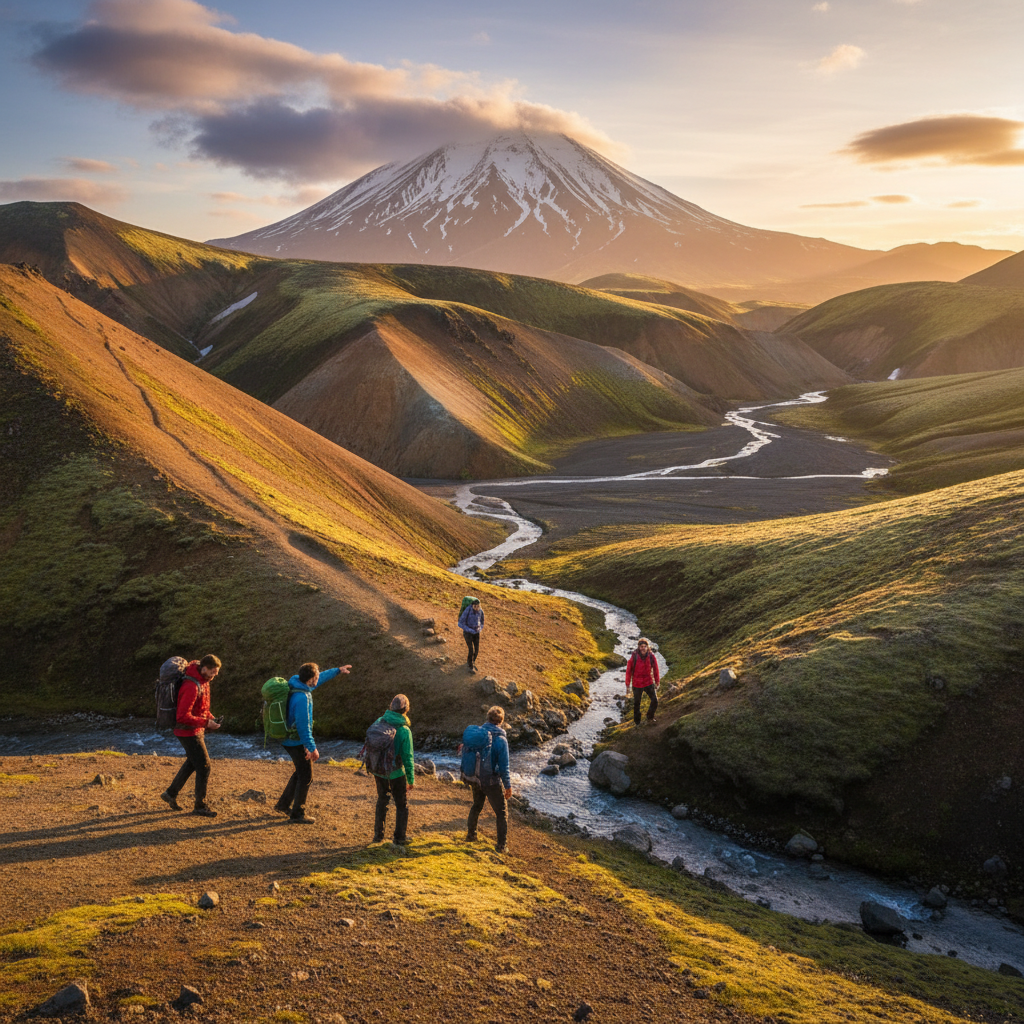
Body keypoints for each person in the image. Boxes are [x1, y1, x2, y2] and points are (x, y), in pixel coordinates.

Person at [275, 661, 352, 824]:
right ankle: (297, 814)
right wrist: (312, 748)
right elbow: (303, 727)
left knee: (300, 772)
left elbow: (321, 678)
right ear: (311, 679)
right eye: (316, 676)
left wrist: (337, 670)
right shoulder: (302, 698)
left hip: (287, 738)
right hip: (294, 741)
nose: (318, 678)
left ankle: (283, 805)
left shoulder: (297, 685)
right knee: (306, 776)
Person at [161, 655, 222, 816]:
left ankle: (171, 793)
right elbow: (182, 716)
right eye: (213, 672)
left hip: (194, 729)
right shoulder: (191, 686)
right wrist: (206, 723)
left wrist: (210, 717)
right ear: (204, 668)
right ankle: (200, 805)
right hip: (187, 731)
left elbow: (200, 708)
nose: (214, 676)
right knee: (204, 766)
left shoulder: (203, 682)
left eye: (216, 673)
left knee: (193, 762)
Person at [464, 706, 512, 854]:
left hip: (475, 778)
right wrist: (508, 786)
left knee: (477, 806)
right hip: (491, 781)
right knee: (502, 812)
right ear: (501, 721)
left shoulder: (478, 734)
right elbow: (504, 766)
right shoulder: (501, 740)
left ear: (487, 718)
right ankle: (501, 846)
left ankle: (471, 835)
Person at [370, 694, 415, 844]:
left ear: (391, 707)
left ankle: (378, 836)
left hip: (379, 769)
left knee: (382, 799)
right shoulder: (404, 730)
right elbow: (408, 757)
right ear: (406, 710)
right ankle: (399, 838)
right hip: (396, 773)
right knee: (401, 804)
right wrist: (411, 779)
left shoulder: (379, 721)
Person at [625, 637, 660, 726]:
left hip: (648, 682)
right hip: (637, 684)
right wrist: (627, 685)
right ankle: (637, 723)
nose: (643, 648)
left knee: (655, 701)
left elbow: (656, 669)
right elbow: (628, 671)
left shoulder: (651, 656)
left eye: (645, 646)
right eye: (641, 646)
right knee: (637, 704)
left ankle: (650, 716)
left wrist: (657, 682)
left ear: (647, 647)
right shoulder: (634, 657)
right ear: (638, 647)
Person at [458, 598, 484, 673]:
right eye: (475, 606)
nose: (476, 608)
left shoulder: (481, 611)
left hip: (476, 633)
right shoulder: (467, 610)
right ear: (472, 605)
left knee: (476, 649)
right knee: (471, 649)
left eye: (478, 606)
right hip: (468, 633)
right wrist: (470, 630)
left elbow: (482, 622)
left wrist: (479, 629)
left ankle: (473, 662)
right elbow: (460, 623)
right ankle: (470, 666)